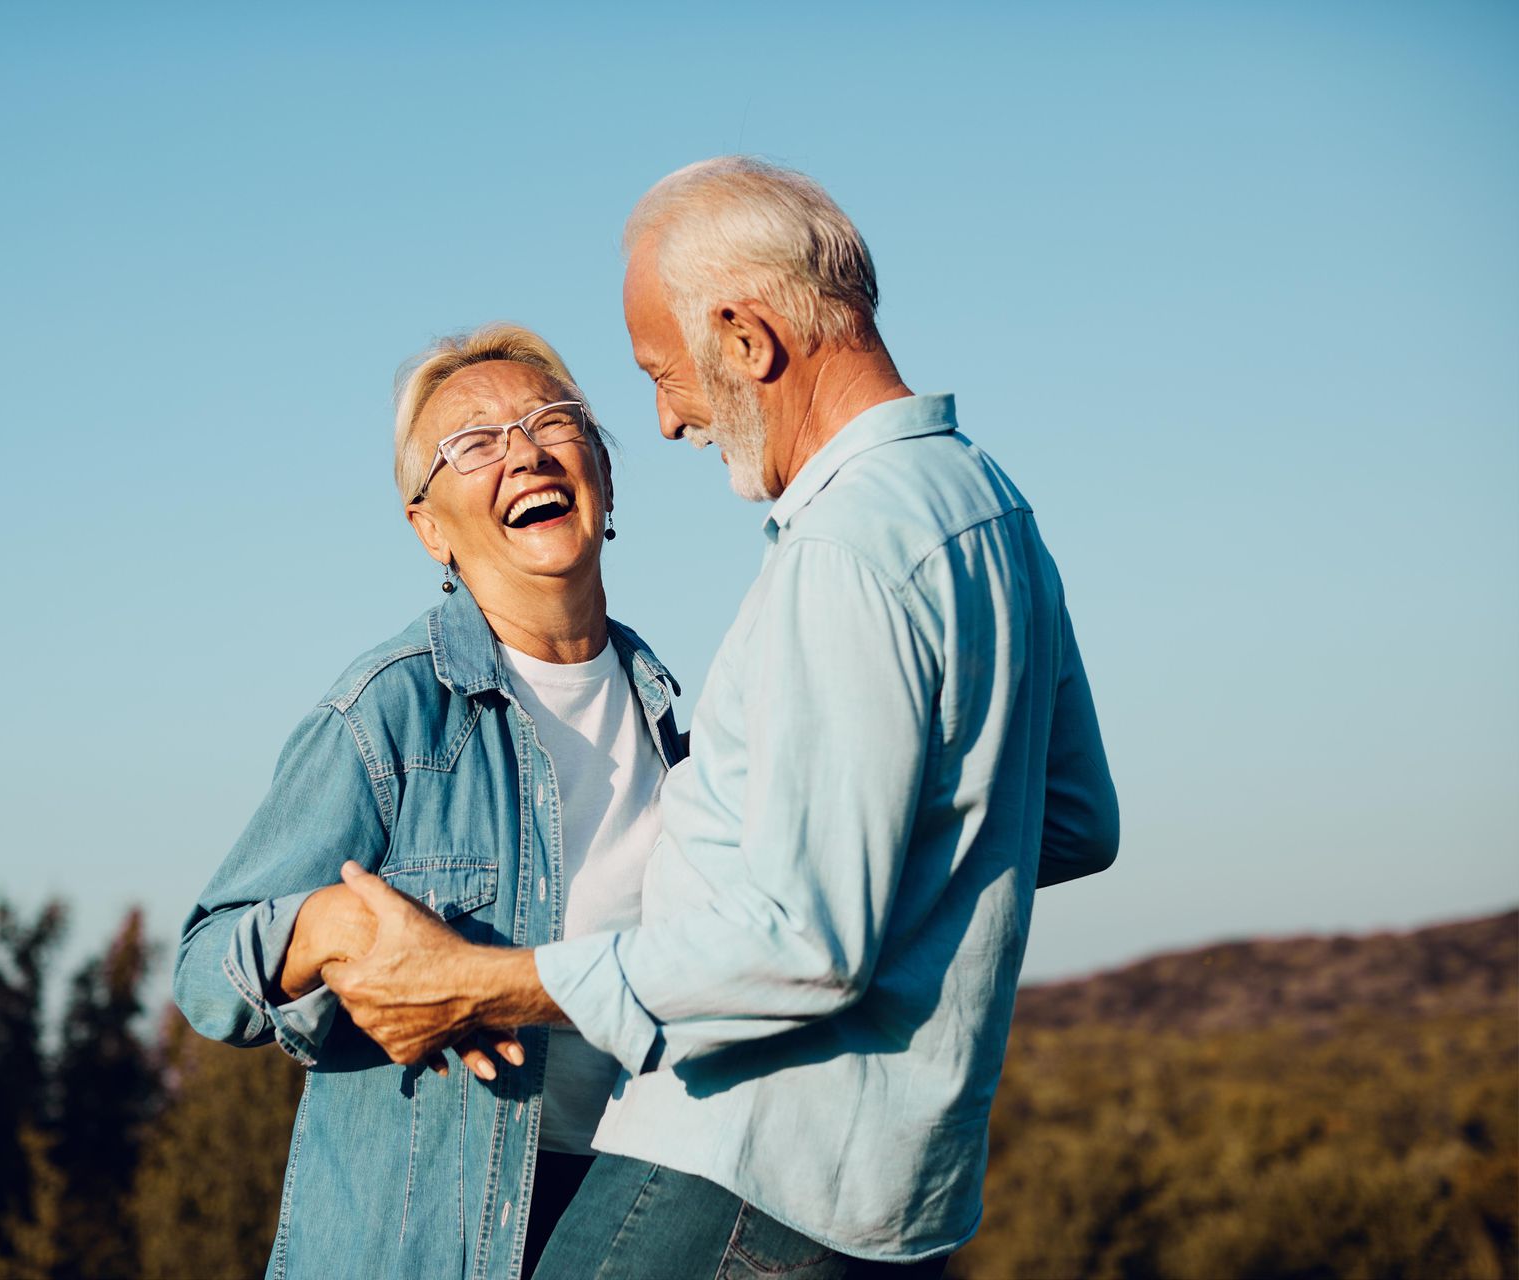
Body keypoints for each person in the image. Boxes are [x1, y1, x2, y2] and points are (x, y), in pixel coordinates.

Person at [324, 157, 1122, 1278]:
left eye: (666, 373)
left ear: (749, 340)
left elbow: (804, 942)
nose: (664, 420)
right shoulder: (988, 505)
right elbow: (1076, 819)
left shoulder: (843, 555)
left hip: (739, 1171)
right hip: (902, 1196)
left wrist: (485, 980)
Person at [171, 324, 687, 1279]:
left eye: (552, 422)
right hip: (431, 1243)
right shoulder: (391, 709)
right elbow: (206, 969)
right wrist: (327, 925)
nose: (525, 452)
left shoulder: (674, 714)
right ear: (430, 527)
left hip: (631, 1209)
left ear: (603, 474)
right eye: (475, 443)